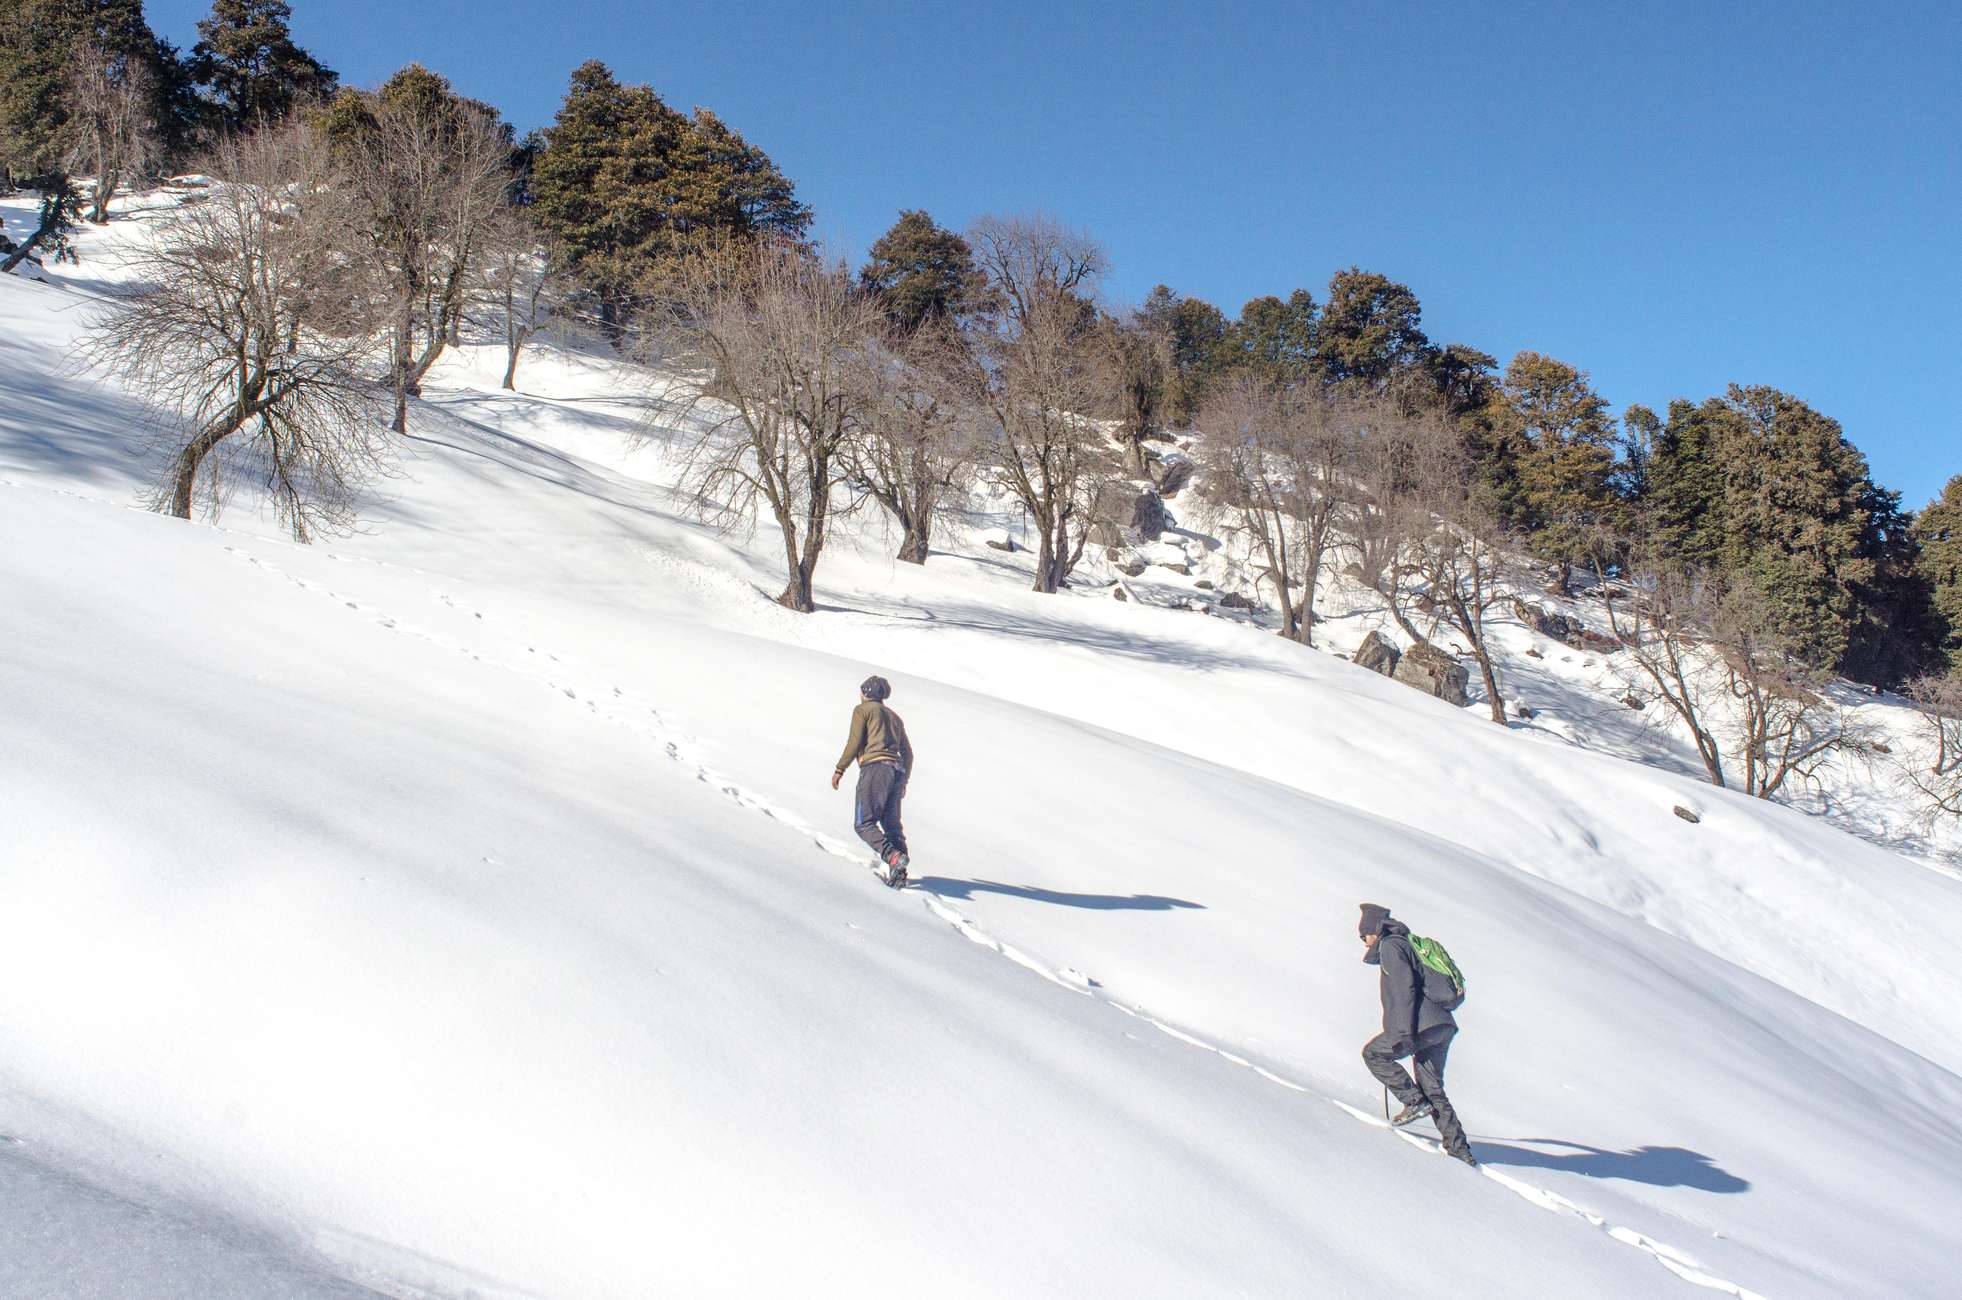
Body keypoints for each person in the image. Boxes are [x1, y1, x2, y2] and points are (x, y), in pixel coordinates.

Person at [1358, 902, 1477, 1167]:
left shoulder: (1392, 947)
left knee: (1374, 1054)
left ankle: (1413, 1101)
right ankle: (1460, 1150)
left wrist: (1403, 1033)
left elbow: (1404, 991)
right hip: (1441, 1026)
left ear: (1374, 930)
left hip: (1420, 1025)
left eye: (1363, 935)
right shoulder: (1407, 944)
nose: (1363, 941)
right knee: (1432, 1087)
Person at [831, 675, 913, 885]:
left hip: (875, 768)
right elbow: (908, 753)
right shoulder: (895, 717)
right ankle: (900, 872)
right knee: (892, 824)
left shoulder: (863, 710)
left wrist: (840, 768)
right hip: (895, 771)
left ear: (866, 692)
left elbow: (855, 741)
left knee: (864, 823)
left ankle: (893, 857)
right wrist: (903, 782)